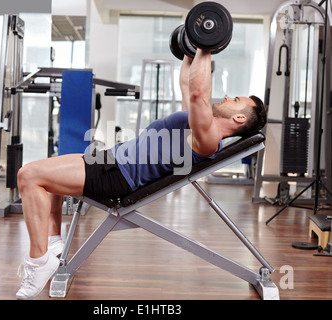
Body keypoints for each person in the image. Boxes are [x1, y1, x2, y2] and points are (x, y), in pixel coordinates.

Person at [15, 49, 267, 299]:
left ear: (239, 117)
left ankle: (39, 262)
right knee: (44, 175)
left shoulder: (209, 138)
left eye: (234, 99)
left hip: (117, 175)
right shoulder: (197, 123)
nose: (226, 97)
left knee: (29, 176)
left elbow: (199, 92)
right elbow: (187, 83)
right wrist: (191, 50)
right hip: (110, 160)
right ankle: (52, 242)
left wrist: (206, 46)